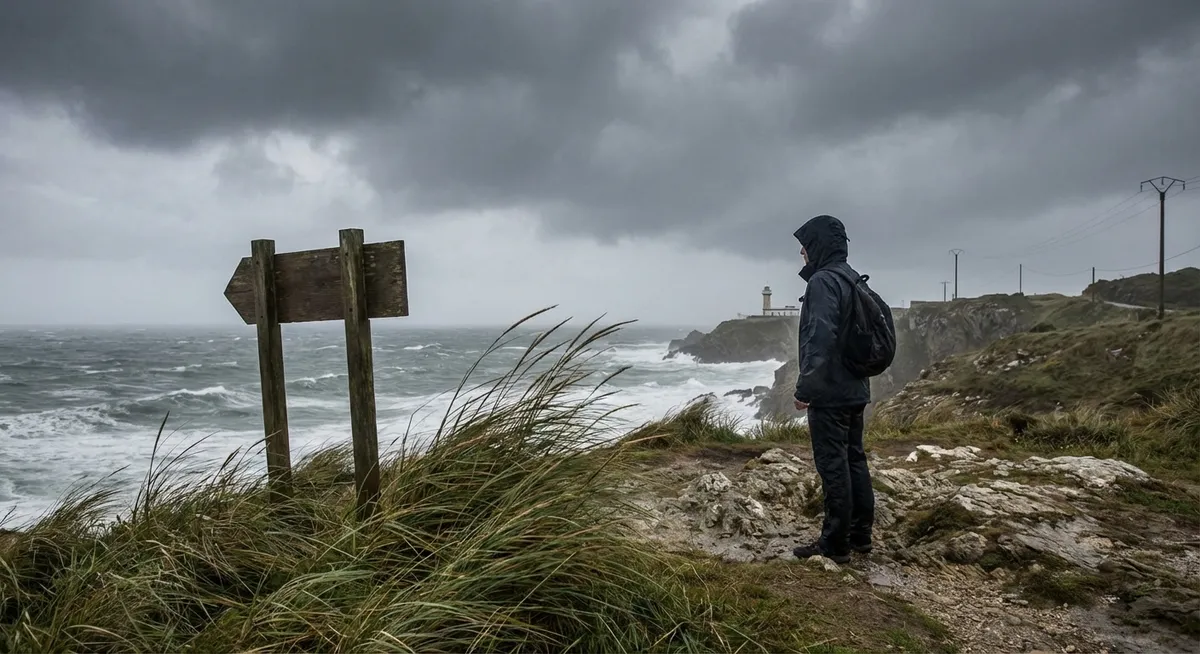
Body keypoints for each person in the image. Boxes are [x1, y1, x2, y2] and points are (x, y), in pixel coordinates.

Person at [790, 214, 875, 565]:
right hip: (855, 388)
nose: (802, 253)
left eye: (806, 245)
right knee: (855, 458)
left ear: (818, 246)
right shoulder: (852, 278)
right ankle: (860, 535)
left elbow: (819, 338)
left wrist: (805, 388)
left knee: (833, 465)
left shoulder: (823, 282)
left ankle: (835, 544)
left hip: (831, 392)